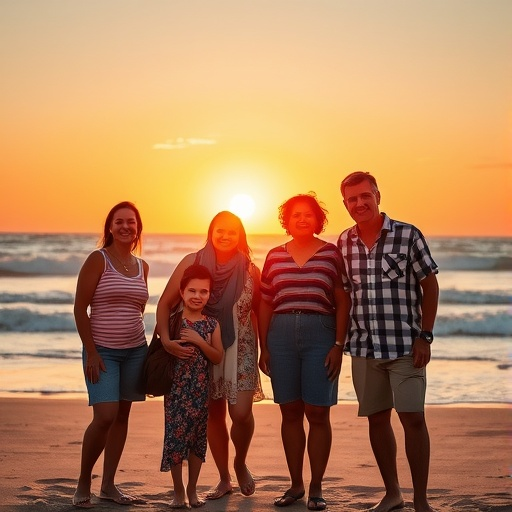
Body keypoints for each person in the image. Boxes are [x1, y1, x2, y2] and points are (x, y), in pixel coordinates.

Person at [337, 171, 439, 512]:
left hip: (406, 346)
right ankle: (393, 493)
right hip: (364, 347)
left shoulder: (407, 235)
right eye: (352, 199)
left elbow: (430, 286)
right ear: (346, 204)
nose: (360, 203)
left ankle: (421, 500)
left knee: (412, 418)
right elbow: (345, 295)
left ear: (378, 195)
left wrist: (425, 336)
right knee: (376, 419)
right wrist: (339, 344)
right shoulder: (344, 242)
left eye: (365, 195)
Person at [156, 211, 263, 500]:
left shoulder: (251, 269)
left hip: (240, 348)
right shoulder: (192, 262)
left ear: (241, 234)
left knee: (241, 413)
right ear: (211, 232)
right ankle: (225, 478)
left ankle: (240, 463)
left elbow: (259, 313)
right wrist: (166, 341)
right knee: (213, 417)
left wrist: (264, 352)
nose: (225, 236)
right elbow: (165, 304)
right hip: (199, 354)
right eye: (220, 230)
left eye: (232, 231)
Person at [258, 193, 350, 511]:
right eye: (295, 214)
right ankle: (296, 485)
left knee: (318, 412)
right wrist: (264, 346)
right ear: (287, 220)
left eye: (307, 214)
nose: (301, 219)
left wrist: (339, 345)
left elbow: (342, 301)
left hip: (320, 335)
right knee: (290, 412)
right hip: (280, 336)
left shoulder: (331, 254)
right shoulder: (273, 256)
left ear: (317, 219)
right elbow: (266, 301)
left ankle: (317, 487)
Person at [72, 201, 149, 508]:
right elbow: (80, 308)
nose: (125, 226)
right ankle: (82, 482)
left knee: (122, 417)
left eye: (130, 222)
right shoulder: (98, 259)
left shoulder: (143, 266)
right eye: (119, 222)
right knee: (104, 416)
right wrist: (91, 352)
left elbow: (138, 308)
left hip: (135, 352)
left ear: (137, 227)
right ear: (110, 227)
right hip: (102, 352)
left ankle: (108, 485)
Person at [160, 264, 224, 508]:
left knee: (197, 440)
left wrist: (199, 341)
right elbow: (162, 347)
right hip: (175, 391)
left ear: (209, 294)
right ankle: (178, 492)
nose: (198, 296)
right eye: (192, 291)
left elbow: (217, 357)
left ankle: (192, 489)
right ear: (182, 291)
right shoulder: (174, 321)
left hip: (199, 391)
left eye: (204, 292)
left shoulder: (211, 324)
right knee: (175, 439)